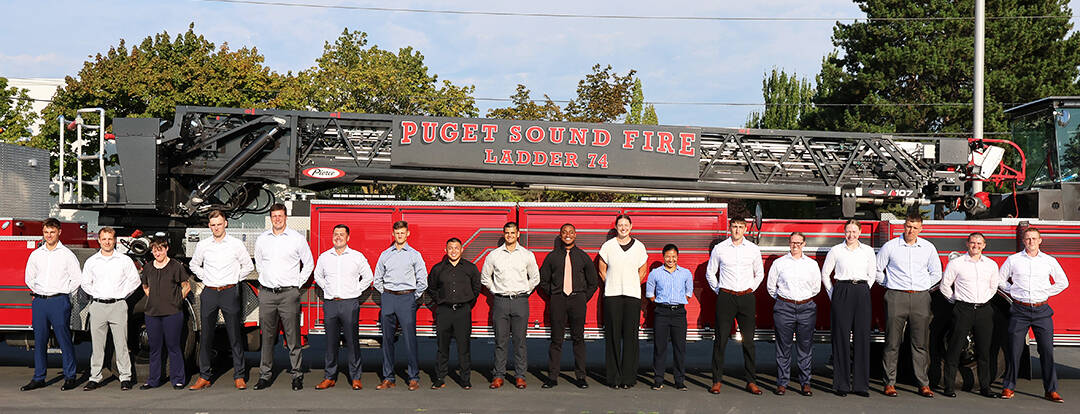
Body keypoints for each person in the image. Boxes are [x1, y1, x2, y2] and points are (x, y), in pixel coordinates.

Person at [999, 227, 1069, 403]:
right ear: (1023, 240)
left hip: (1041, 311)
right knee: (1014, 350)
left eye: (1034, 238)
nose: (1031, 241)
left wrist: (1046, 292)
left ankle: (1051, 390)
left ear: (1040, 240)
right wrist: (1012, 291)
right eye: (1028, 238)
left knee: (1046, 351)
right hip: (1019, 310)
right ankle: (1008, 387)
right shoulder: (1013, 260)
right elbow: (1000, 280)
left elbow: (1063, 282)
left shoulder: (1049, 261)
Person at [876, 214, 942, 398]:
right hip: (896, 296)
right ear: (903, 227)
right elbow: (876, 270)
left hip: (920, 298)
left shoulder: (928, 248)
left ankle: (923, 384)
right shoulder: (890, 246)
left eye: (914, 227)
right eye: (908, 226)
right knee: (892, 342)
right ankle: (889, 383)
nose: (910, 230)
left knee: (920, 343)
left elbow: (936, 272)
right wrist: (889, 284)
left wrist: (923, 286)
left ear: (921, 229)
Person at [188, 210, 255, 391]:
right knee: (206, 336)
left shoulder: (235, 244)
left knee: (234, 335)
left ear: (225, 223)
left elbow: (248, 266)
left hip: (229, 292)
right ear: (209, 226)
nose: (216, 227)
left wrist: (234, 278)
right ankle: (204, 376)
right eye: (213, 225)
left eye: (219, 223)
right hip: (209, 292)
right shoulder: (203, 245)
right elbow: (193, 264)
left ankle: (239, 376)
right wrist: (205, 276)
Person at [253, 203, 314, 391]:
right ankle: (265, 375)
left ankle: (297, 375)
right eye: (274, 216)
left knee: (293, 337)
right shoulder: (262, 239)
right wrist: (267, 281)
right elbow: (259, 263)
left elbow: (309, 263)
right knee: (267, 338)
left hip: (289, 294)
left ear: (286, 217)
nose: (277, 219)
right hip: (267, 294)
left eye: (280, 215)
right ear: (270, 218)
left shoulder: (296, 239)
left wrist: (297, 284)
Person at [705, 215, 764, 395]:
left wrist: (750, 289)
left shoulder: (753, 249)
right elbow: (710, 273)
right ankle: (716, 381)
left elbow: (759, 274)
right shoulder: (720, 249)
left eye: (740, 226)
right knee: (720, 341)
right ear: (729, 228)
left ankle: (751, 381)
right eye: (734, 226)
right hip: (726, 297)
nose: (737, 230)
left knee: (749, 342)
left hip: (746, 297)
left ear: (745, 229)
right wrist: (720, 291)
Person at [939, 232, 1002, 399]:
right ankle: (949, 387)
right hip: (962, 309)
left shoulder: (991, 265)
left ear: (984, 245)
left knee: (984, 350)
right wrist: (955, 301)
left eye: (979, 243)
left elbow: (993, 287)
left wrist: (983, 300)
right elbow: (945, 285)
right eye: (973, 242)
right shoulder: (957, 263)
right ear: (967, 244)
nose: (976, 245)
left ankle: (985, 388)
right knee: (954, 348)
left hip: (984, 310)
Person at [21, 218, 81, 392]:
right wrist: (39, 291)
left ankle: (70, 376)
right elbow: (28, 278)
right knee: (39, 340)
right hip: (39, 301)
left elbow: (77, 278)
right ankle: (39, 377)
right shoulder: (36, 254)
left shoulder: (67, 254)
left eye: (52, 232)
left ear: (59, 232)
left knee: (63, 339)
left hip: (58, 301)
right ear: (43, 233)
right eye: (46, 232)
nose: (49, 235)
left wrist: (63, 292)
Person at [313, 224, 373, 391]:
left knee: (352, 342)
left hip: (349, 303)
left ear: (348, 238)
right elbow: (318, 275)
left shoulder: (357, 256)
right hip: (331, 303)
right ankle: (329, 377)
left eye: (341, 234)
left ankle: (355, 377)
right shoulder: (325, 257)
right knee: (330, 342)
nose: (338, 237)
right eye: (335, 234)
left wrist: (356, 291)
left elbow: (368, 277)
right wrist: (327, 288)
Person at [538, 223, 599, 389]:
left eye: (571, 232)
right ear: (560, 235)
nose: (568, 235)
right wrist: (554, 294)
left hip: (577, 300)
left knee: (578, 339)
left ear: (575, 235)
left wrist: (582, 297)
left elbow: (593, 282)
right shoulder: (552, 257)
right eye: (564, 232)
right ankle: (552, 377)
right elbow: (543, 280)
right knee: (556, 340)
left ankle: (581, 377)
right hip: (558, 300)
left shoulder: (583, 256)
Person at [481, 221, 540, 389]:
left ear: (518, 234)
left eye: (513, 233)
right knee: (500, 341)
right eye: (507, 233)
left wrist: (524, 291)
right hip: (501, 301)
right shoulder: (494, 255)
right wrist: (495, 291)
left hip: (520, 301)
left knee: (520, 341)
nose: (510, 236)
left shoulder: (527, 255)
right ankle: (498, 375)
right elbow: (485, 277)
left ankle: (520, 376)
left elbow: (535, 278)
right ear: (504, 234)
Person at [81, 227, 141, 391]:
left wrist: (121, 294)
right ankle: (95, 377)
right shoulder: (92, 261)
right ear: (99, 240)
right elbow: (85, 283)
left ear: (115, 240)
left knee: (121, 343)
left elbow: (135, 281)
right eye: (104, 239)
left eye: (110, 238)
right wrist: (97, 294)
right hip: (98, 306)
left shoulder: (124, 260)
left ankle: (125, 377)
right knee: (97, 345)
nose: (107, 242)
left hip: (118, 305)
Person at [820, 219, 875, 397]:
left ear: (860, 233)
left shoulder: (867, 251)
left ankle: (860, 385)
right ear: (844, 232)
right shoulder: (836, 250)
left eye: (854, 232)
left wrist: (864, 291)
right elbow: (825, 274)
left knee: (862, 337)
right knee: (841, 338)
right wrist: (833, 295)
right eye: (848, 231)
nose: (851, 235)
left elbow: (872, 274)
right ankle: (841, 384)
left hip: (861, 291)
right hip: (841, 290)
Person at [373, 220, 428, 391]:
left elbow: (422, 280)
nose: (400, 235)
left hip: (407, 298)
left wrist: (413, 297)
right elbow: (377, 279)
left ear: (408, 233)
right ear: (393, 234)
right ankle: (388, 377)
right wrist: (386, 294)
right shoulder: (385, 254)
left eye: (402, 232)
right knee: (387, 340)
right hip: (389, 297)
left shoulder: (414, 255)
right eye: (397, 233)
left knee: (410, 340)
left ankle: (413, 377)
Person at [766, 232, 819, 397]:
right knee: (783, 347)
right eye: (792, 242)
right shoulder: (779, 263)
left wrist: (802, 300)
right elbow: (771, 286)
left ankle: (806, 383)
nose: (795, 245)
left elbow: (816, 287)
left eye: (798, 242)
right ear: (788, 243)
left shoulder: (812, 264)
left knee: (805, 347)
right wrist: (784, 301)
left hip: (806, 307)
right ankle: (782, 383)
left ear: (804, 244)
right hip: (784, 308)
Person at [599, 214, 648, 389]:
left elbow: (643, 271)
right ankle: (613, 378)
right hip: (612, 296)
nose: (623, 228)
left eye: (626, 225)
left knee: (630, 338)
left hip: (632, 296)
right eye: (620, 225)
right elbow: (602, 269)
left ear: (631, 227)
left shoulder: (639, 247)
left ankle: (628, 378)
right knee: (612, 337)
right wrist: (613, 283)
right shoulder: (608, 246)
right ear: (616, 227)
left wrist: (631, 283)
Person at [428, 237, 481, 390]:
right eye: (450, 248)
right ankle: (439, 378)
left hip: (463, 312)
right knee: (442, 347)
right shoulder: (438, 269)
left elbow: (476, 288)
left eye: (456, 248)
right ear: (445, 250)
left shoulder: (470, 268)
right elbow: (431, 288)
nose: (453, 251)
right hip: (444, 311)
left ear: (462, 250)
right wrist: (440, 300)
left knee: (463, 348)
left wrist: (467, 303)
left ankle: (465, 379)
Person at [139, 237, 192, 390]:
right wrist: (155, 298)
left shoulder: (176, 266)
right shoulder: (148, 268)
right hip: (152, 314)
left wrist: (176, 300)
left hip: (172, 313)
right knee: (155, 348)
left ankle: (178, 379)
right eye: (155, 250)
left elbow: (186, 286)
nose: (157, 253)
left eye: (160, 249)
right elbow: (145, 287)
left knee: (173, 346)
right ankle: (153, 379)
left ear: (166, 248)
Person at [645, 244, 693, 391]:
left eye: (673, 256)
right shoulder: (655, 273)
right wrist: (661, 305)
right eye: (668, 256)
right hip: (661, 313)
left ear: (678, 257)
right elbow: (649, 294)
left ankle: (679, 380)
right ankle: (658, 379)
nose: (670, 259)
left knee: (680, 348)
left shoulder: (685, 273)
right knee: (660, 348)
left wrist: (677, 303)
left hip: (679, 313)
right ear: (663, 257)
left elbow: (688, 293)